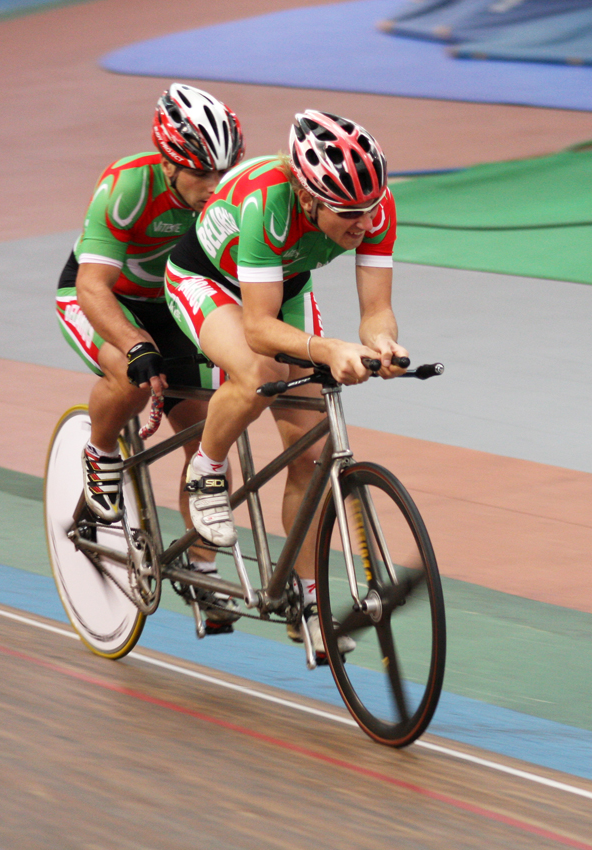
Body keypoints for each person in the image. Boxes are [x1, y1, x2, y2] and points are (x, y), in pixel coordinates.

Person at [164, 110, 408, 658]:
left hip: (281, 284)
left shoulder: (375, 205)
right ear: (306, 198)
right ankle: (207, 471)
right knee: (257, 374)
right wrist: (327, 349)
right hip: (208, 281)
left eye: (371, 208)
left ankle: (309, 599)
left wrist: (383, 345)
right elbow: (256, 328)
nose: (364, 222)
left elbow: (377, 310)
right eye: (347, 213)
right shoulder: (265, 204)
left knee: (314, 451)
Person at [55, 83, 245, 626]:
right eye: (202, 174)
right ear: (168, 164)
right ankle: (99, 455)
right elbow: (93, 285)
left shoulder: (230, 193)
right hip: (101, 297)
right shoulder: (128, 185)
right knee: (132, 376)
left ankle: (203, 573)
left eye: (223, 173)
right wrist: (137, 345)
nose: (215, 188)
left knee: (208, 433)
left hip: (169, 302)